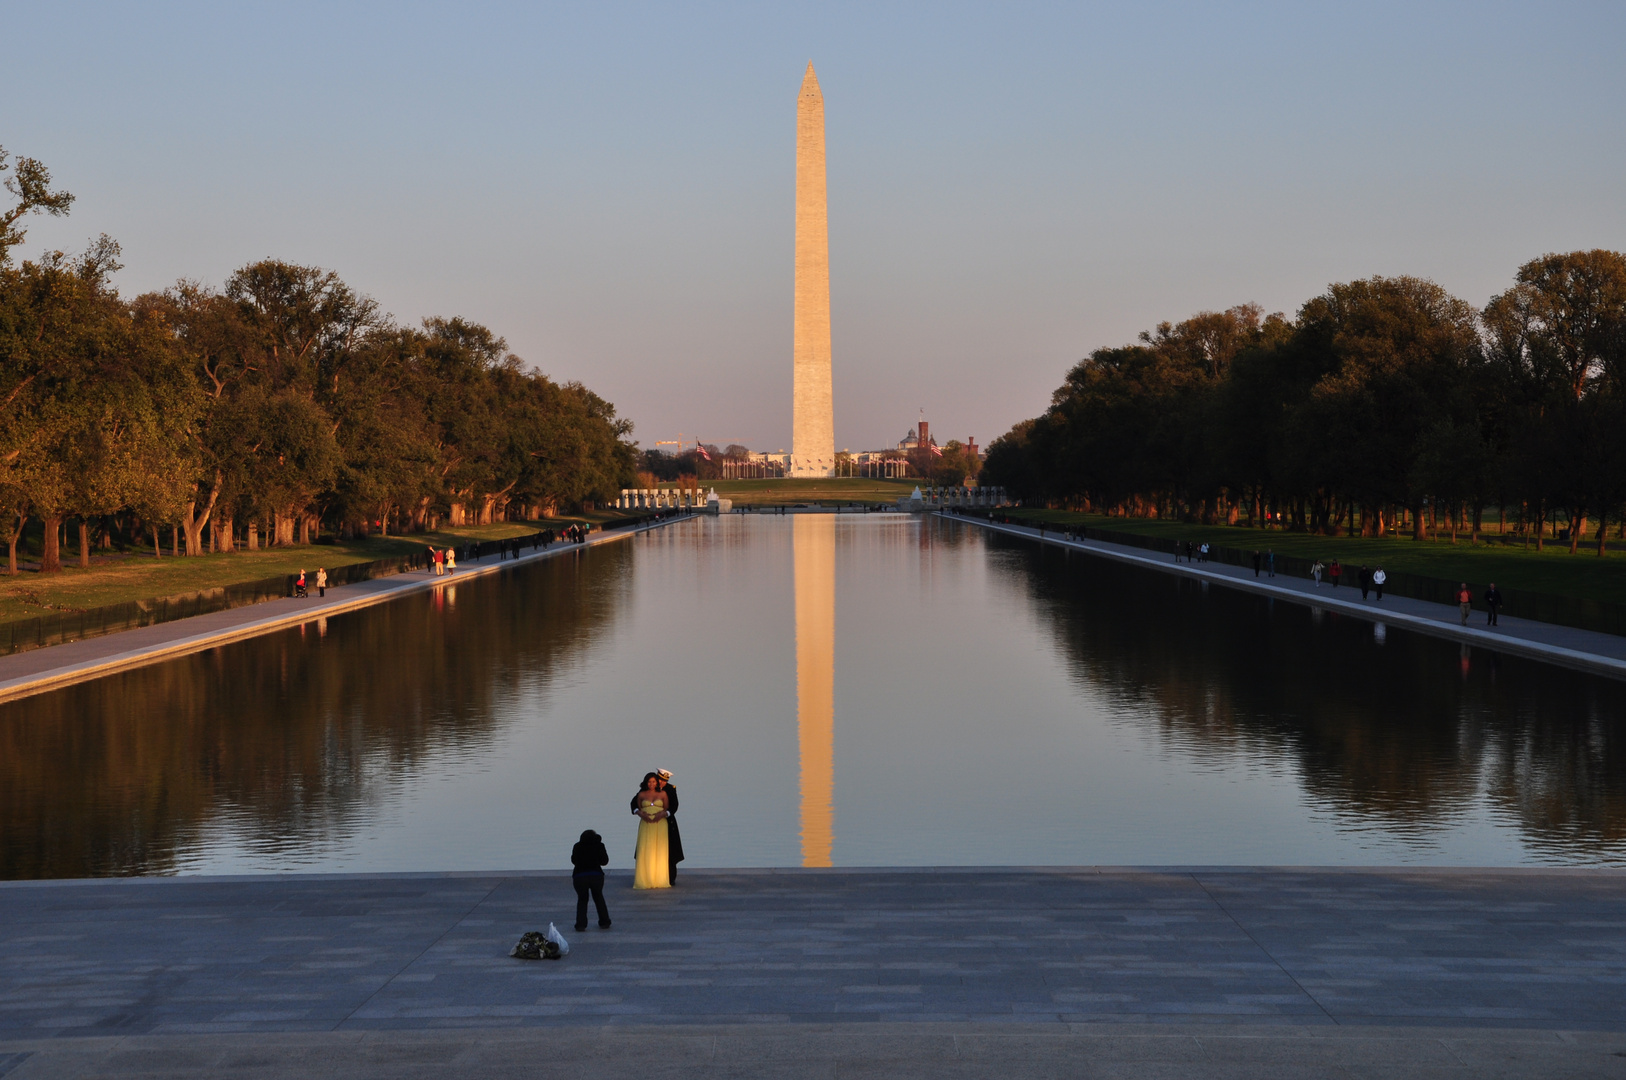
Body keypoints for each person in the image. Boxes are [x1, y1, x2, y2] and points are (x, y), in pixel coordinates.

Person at [631, 768, 684, 884]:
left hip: (667, 824)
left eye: (664, 781)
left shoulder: (670, 789)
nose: (661, 783)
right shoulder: (646, 789)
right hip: (647, 824)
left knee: (668, 852)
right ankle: (648, 876)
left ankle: (669, 878)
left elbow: (674, 806)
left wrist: (665, 813)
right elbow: (634, 802)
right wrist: (639, 812)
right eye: (660, 780)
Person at [631, 773, 670, 890]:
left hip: (660, 824)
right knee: (645, 848)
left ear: (657, 783)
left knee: (660, 850)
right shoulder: (641, 794)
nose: (651, 784)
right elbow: (639, 808)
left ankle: (659, 879)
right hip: (646, 824)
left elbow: (666, 808)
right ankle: (644, 879)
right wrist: (642, 814)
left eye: (653, 782)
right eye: (649, 782)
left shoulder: (663, 793)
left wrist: (662, 814)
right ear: (645, 782)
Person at [571, 829, 611, 931]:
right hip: (596, 875)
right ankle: (604, 922)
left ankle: (581, 924)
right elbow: (604, 861)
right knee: (598, 898)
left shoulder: (577, 846)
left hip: (579, 876)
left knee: (582, 900)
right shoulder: (599, 845)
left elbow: (574, 861)